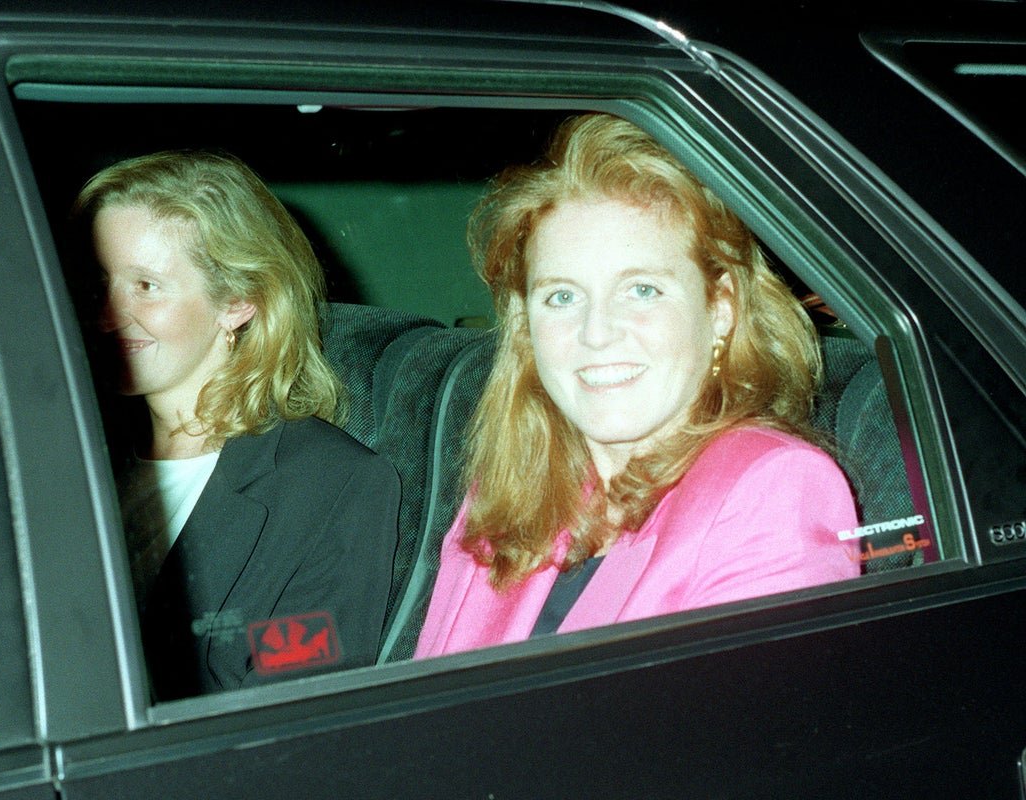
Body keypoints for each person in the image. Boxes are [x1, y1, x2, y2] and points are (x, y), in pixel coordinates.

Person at [415, 114, 860, 658]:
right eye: (562, 296)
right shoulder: (513, 487)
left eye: (642, 290)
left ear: (720, 308)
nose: (596, 333)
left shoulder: (775, 489)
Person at [73, 151, 399, 698]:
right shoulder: (73, 453)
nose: (107, 315)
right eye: (100, 281)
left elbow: (292, 712)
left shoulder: (332, 486)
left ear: (238, 302)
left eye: (146, 285)